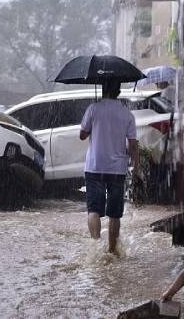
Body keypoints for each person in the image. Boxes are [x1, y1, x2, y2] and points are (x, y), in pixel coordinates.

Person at [80, 80, 140, 254]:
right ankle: (112, 251)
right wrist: (137, 168)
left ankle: (96, 247)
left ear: (103, 89)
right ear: (118, 92)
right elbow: (134, 145)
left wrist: (93, 125)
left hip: (94, 167)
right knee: (114, 213)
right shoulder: (127, 114)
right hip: (117, 169)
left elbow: (82, 135)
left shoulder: (93, 109)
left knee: (94, 210)